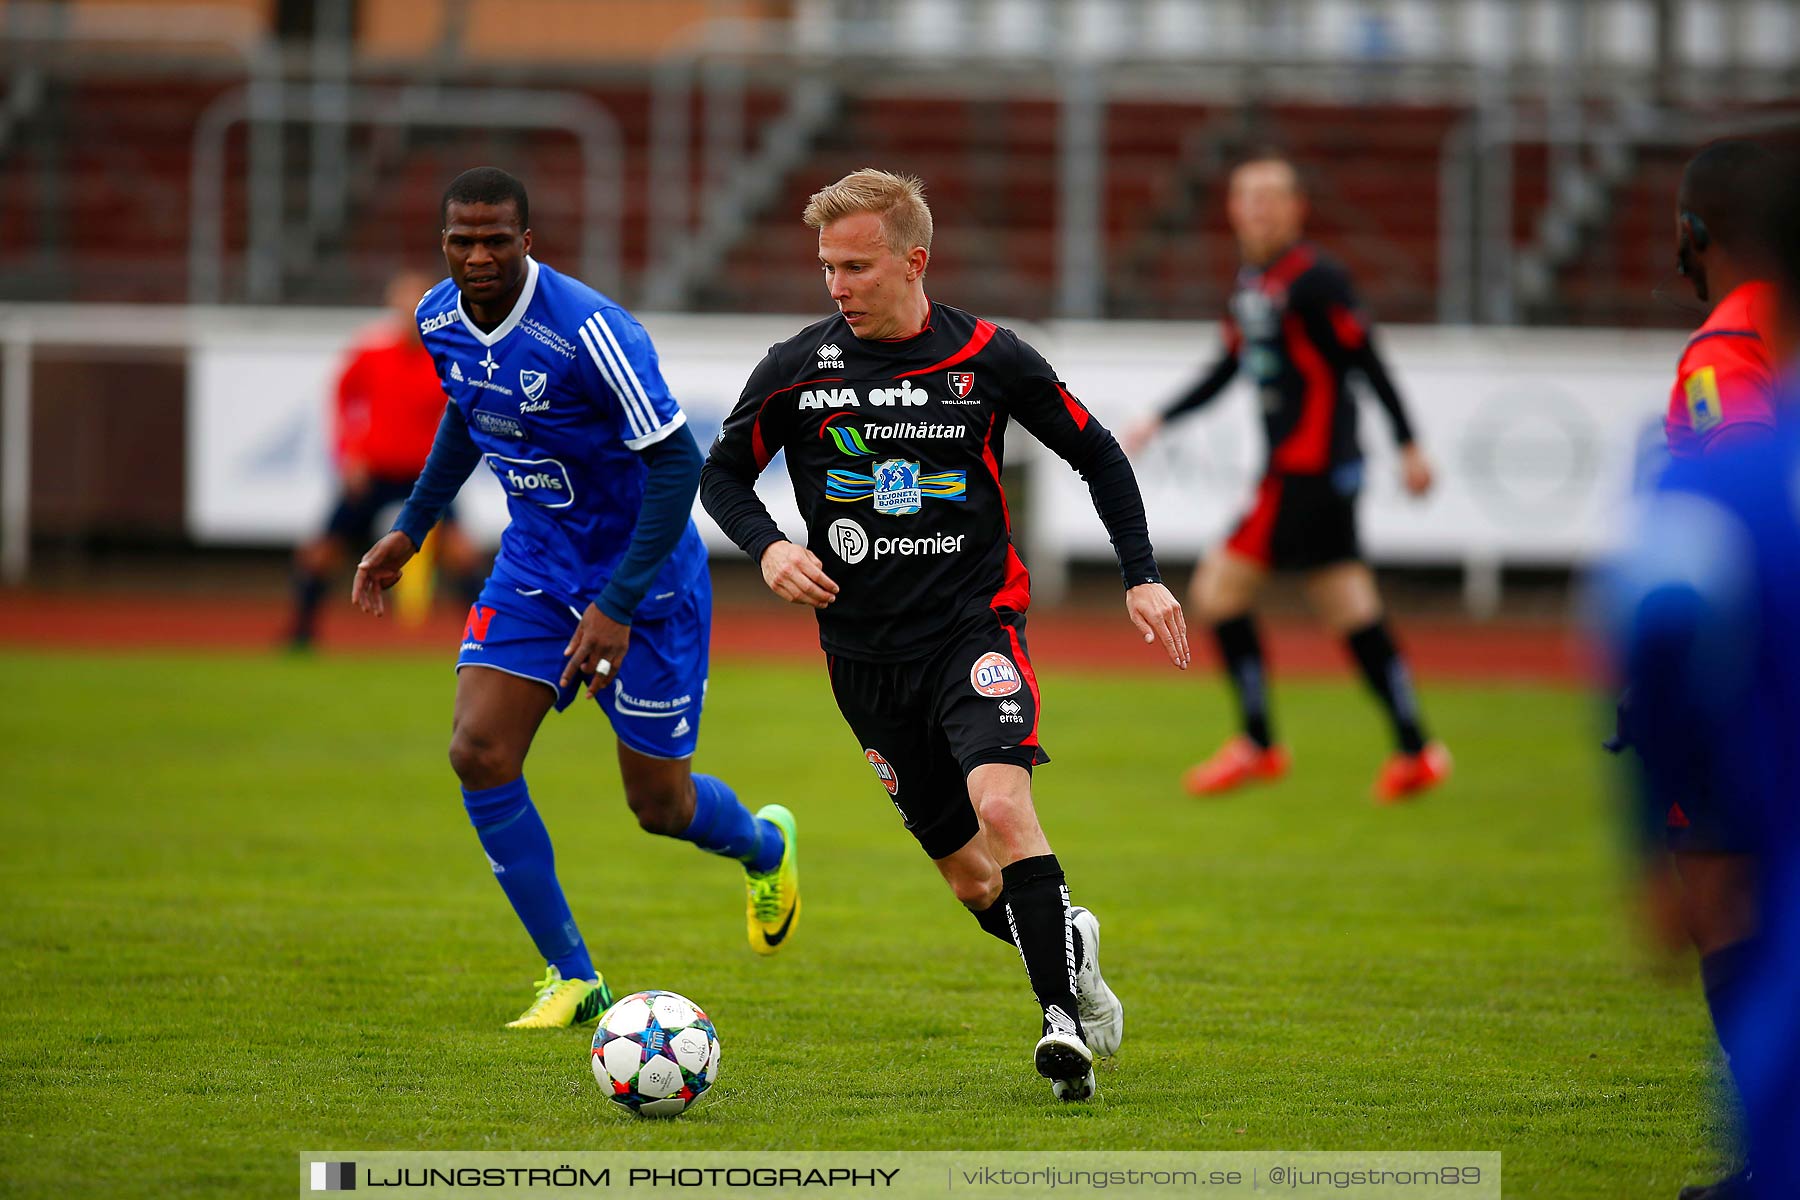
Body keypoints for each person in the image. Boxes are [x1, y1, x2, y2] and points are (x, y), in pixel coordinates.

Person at [699, 168, 1190, 1102]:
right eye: (826, 268)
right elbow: (720, 476)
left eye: (856, 266)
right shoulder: (798, 368)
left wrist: (1142, 575)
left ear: (914, 260)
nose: (837, 286)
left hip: (975, 629)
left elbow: (1097, 451)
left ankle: (1058, 1025)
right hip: (862, 660)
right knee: (972, 882)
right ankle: (1067, 940)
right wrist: (765, 549)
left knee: (1006, 811)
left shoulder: (988, 357)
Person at [352, 167, 797, 1030]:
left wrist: (619, 603)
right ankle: (574, 976)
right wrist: (413, 527)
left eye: (496, 240)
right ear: (442, 244)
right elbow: (464, 410)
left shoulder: (592, 332)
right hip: (537, 567)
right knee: (478, 749)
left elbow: (677, 467)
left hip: (647, 582)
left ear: (529, 242)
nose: (477, 257)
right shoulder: (437, 318)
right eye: (461, 241)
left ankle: (766, 846)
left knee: (657, 808)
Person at [1121, 151, 1448, 803]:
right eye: (1248, 196)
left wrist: (1410, 445)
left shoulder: (1316, 278)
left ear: (1298, 208)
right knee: (1349, 605)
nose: (1259, 207)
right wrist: (1163, 417)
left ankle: (1260, 743)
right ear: (1232, 209)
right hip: (1314, 472)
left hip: (1308, 470)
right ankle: (1416, 749)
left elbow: (1366, 359)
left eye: (1272, 196)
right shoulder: (1252, 284)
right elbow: (1228, 366)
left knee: (1217, 592)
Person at [1611, 138, 1784, 1200]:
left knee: (1726, 902)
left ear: (1697, 236)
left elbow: (1742, 532)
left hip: (1759, 693)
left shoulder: (1726, 351)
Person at [286, 269, 482, 648]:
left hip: (424, 475)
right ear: (392, 307)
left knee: (463, 553)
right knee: (320, 552)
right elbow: (342, 398)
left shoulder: (444, 358)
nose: (409, 313)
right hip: (374, 472)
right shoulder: (372, 354)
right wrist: (349, 454)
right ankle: (301, 634)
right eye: (403, 303)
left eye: (416, 304)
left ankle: (478, 639)